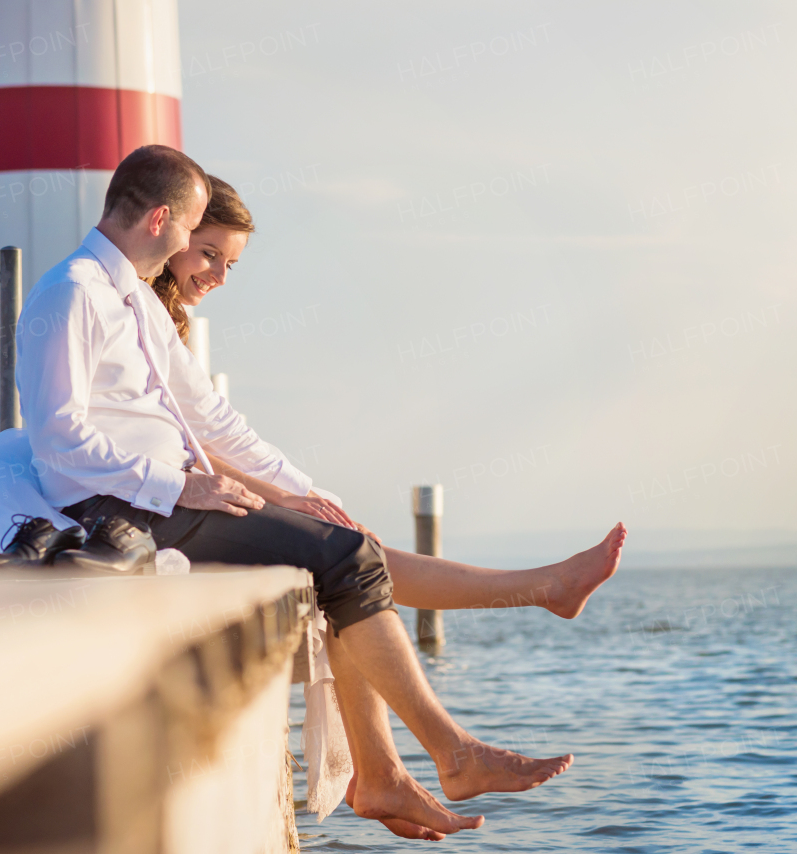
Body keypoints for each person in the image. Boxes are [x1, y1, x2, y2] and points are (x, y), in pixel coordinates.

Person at [79, 164, 628, 839]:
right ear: (175, 227)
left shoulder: (154, 316)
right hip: (136, 498)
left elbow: (216, 432)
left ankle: (388, 772)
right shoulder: (116, 304)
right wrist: (285, 495)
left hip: (170, 489)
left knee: (348, 556)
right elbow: (184, 446)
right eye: (210, 251)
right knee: (350, 558)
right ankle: (530, 605)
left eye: (232, 263)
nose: (219, 273)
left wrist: (308, 495)